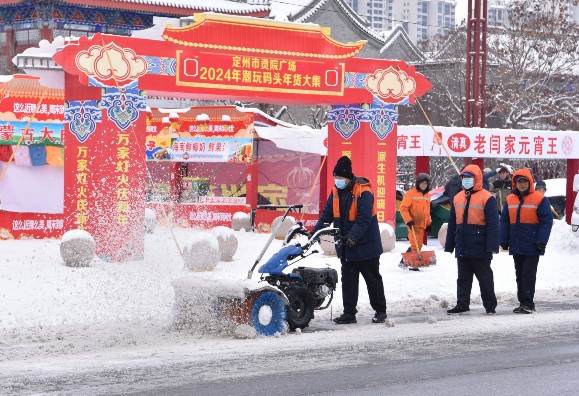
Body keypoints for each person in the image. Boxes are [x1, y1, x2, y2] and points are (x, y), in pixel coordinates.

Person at [311, 156, 387, 324]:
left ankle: (380, 310)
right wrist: (315, 232)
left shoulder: (363, 191)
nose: (337, 181)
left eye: (340, 178)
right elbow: (327, 215)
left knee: (372, 279)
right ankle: (349, 313)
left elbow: (364, 218)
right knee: (349, 280)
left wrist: (353, 236)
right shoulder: (336, 192)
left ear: (348, 177)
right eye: (335, 178)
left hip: (366, 245)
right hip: (346, 246)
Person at [444, 164, 499, 315]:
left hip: (480, 245)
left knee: (485, 278)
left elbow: (493, 224)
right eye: (464, 178)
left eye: (469, 178)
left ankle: (490, 305)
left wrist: (492, 246)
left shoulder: (487, 197)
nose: (466, 180)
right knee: (463, 279)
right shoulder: (457, 198)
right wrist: (450, 245)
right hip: (462, 244)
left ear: (477, 179)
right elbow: (453, 223)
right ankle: (462, 304)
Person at [500, 169, 553, 314]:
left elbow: (547, 221)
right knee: (520, 274)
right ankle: (523, 302)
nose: (522, 184)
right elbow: (504, 220)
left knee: (528, 274)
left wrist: (542, 241)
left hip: (533, 244)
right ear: (515, 183)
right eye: (519, 181)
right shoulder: (510, 199)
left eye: (524, 181)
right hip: (516, 243)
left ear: (529, 182)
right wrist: (504, 239)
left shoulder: (540, 199)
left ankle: (528, 303)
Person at [399, 173, 432, 270]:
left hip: (422, 224)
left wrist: (429, 223)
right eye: (422, 183)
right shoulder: (410, 194)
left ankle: (404, 262)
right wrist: (408, 220)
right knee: (415, 244)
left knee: (419, 244)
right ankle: (413, 264)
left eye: (426, 183)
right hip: (413, 224)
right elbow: (403, 208)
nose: (424, 185)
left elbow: (427, 211)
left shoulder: (427, 196)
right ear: (418, 183)